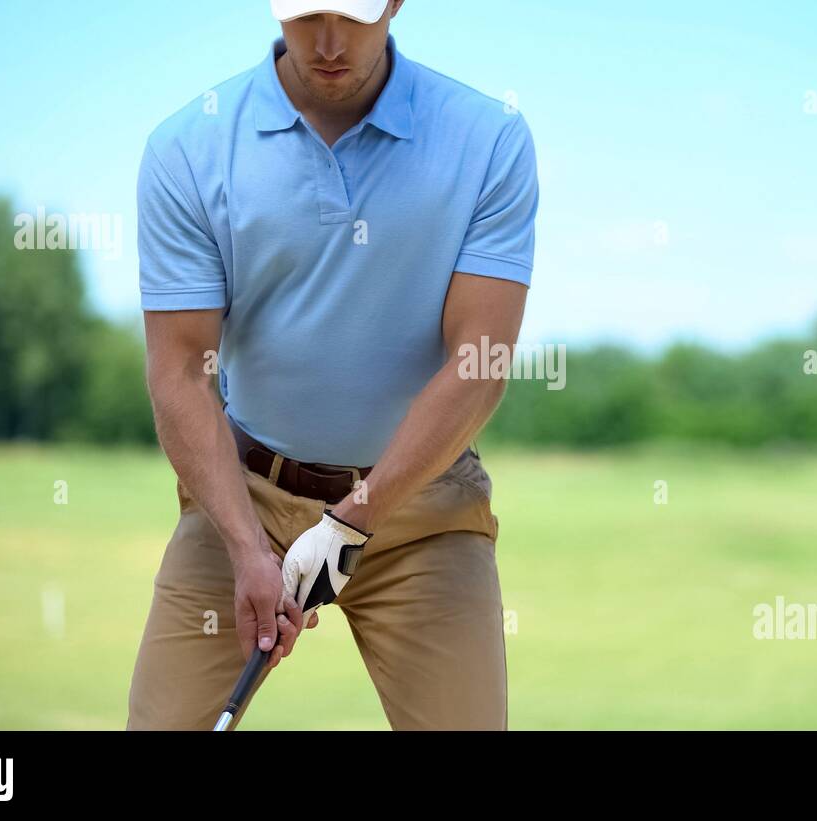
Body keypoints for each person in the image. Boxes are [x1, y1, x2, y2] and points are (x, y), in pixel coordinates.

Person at [126, 0, 538, 730]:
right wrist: (247, 547)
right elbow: (182, 371)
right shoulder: (186, 148)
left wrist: (356, 517)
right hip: (244, 498)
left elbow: (480, 361)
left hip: (425, 510)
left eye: (350, 15)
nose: (326, 42)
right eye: (306, 13)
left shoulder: (488, 138)